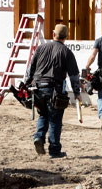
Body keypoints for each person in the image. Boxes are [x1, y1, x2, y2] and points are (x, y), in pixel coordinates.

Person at [23, 23, 82, 158]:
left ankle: (38, 137)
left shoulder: (41, 48)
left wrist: (26, 85)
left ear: (53, 34)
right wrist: (77, 93)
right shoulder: (67, 52)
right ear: (66, 37)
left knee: (43, 115)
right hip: (55, 90)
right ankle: (54, 151)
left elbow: (30, 69)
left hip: (38, 89)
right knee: (55, 120)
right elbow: (74, 76)